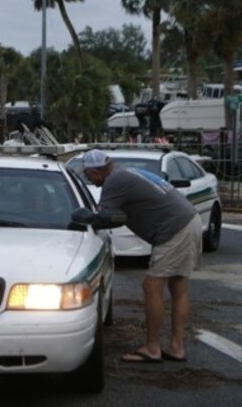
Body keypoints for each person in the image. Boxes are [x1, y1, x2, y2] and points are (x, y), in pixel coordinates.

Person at [82, 149, 201, 364]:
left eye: (88, 175)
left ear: (97, 172)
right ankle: (176, 346)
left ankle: (153, 348)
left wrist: (83, 221)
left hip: (174, 229)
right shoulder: (126, 173)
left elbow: (106, 217)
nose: (88, 179)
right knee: (178, 284)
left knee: (151, 285)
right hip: (188, 220)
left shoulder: (114, 182)